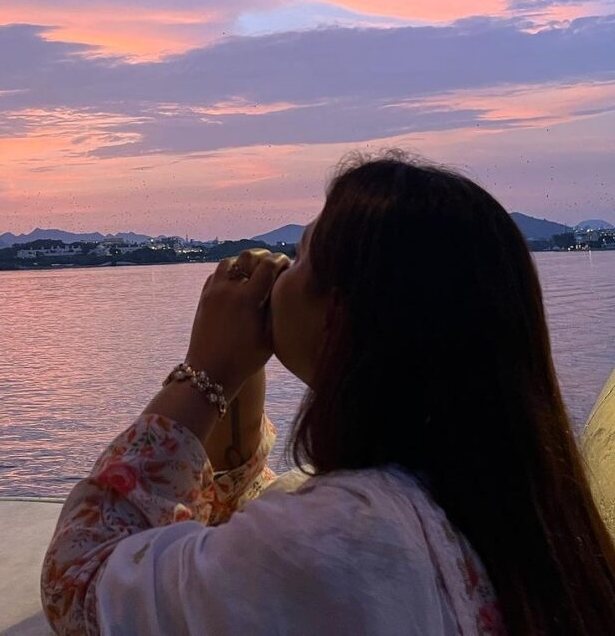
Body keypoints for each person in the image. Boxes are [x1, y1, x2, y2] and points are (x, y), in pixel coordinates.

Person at [41, 152, 615, 635]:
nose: (280, 266)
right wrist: (235, 386)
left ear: (335, 317)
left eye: (302, 252)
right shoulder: (517, 502)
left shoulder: (344, 541)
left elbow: (80, 580)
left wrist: (205, 370)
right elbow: (242, 548)